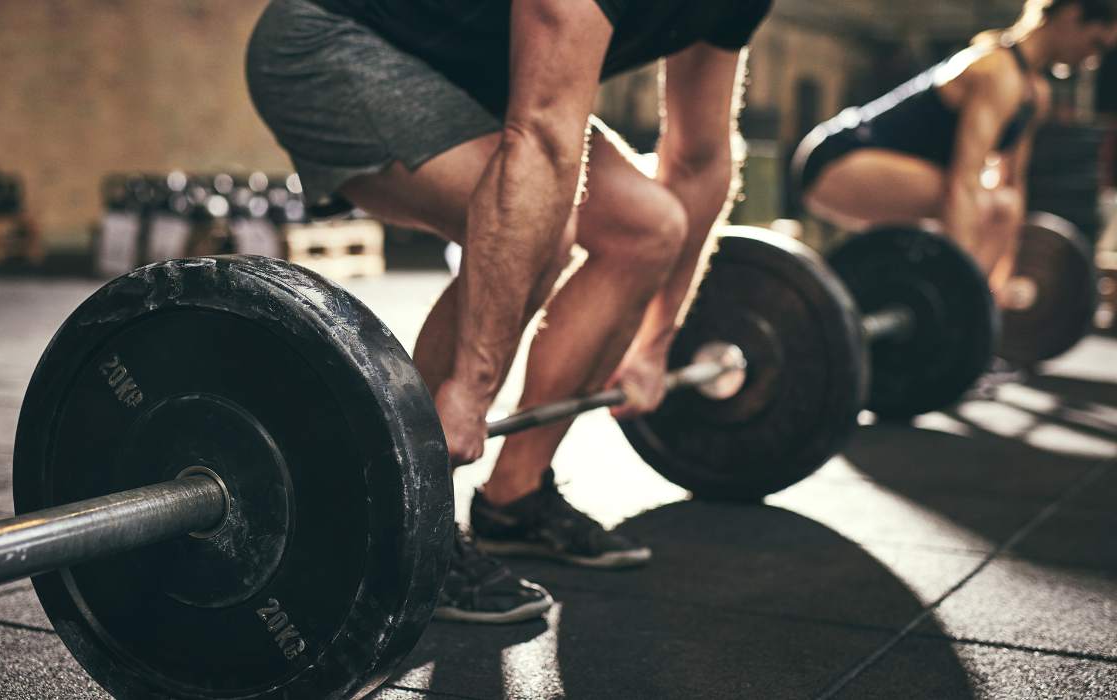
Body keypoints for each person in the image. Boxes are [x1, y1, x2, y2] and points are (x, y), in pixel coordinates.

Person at [246, 0, 771, 623]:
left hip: (472, 75)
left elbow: (701, 155)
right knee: (538, 233)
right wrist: (470, 390)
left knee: (647, 228)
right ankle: (398, 526)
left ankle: (514, 499)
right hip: (331, 44)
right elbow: (542, 141)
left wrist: (658, 340)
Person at [793, 0, 1117, 296]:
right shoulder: (997, 71)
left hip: (894, 172)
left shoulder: (1035, 92)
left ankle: (964, 304)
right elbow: (963, 182)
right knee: (981, 202)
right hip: (834, 160)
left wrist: (1003, 276)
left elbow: (1013, 185)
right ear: (1072, 16)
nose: (1093, 60)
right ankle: (955, 300)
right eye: (1095, 44)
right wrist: (961, 288)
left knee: (1001, 203)